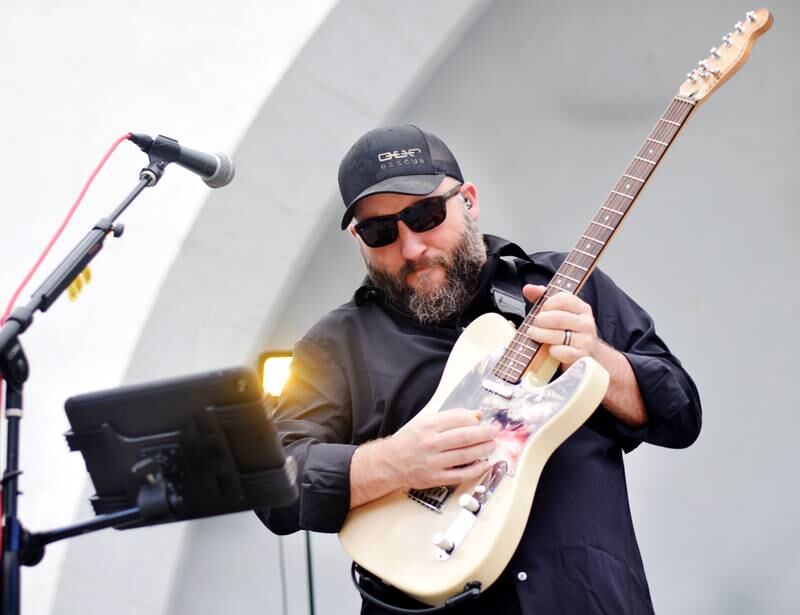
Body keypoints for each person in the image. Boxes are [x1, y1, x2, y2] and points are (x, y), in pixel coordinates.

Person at [259, 124, 702, 614]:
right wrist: (394, 461)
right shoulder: (335, 343)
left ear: (468, 200)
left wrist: (596, 355)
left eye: (425, 214)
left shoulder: (564, 287)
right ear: (356, 238)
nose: (410, 248)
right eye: (380, 231)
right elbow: (272, 485)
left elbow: (680, 414)